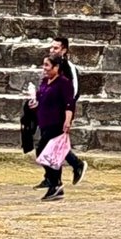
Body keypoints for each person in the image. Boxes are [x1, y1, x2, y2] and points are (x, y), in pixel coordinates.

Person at [32, 54, 84, 201]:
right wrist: (33, 103)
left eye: (47, 65)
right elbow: (40, 98)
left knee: (45, 152)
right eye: (44, 65)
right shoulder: (45, 81)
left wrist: (67, 121)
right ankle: (58, 180)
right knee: (51, 153)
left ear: (56, 67)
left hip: (56, 122)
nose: (44, 68)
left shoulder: (64, 83)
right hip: (45, 121)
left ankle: (55, 183)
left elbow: (69, 104)